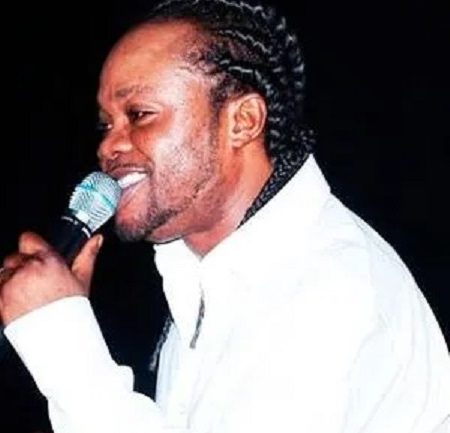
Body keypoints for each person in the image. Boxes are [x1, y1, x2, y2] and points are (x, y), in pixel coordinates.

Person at [0, 0, 449, 432]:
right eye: (106, 124)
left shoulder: (328, 289)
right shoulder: (203, 272)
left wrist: (62, 343)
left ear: (243, 121)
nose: (108, 146)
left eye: (139, 114)